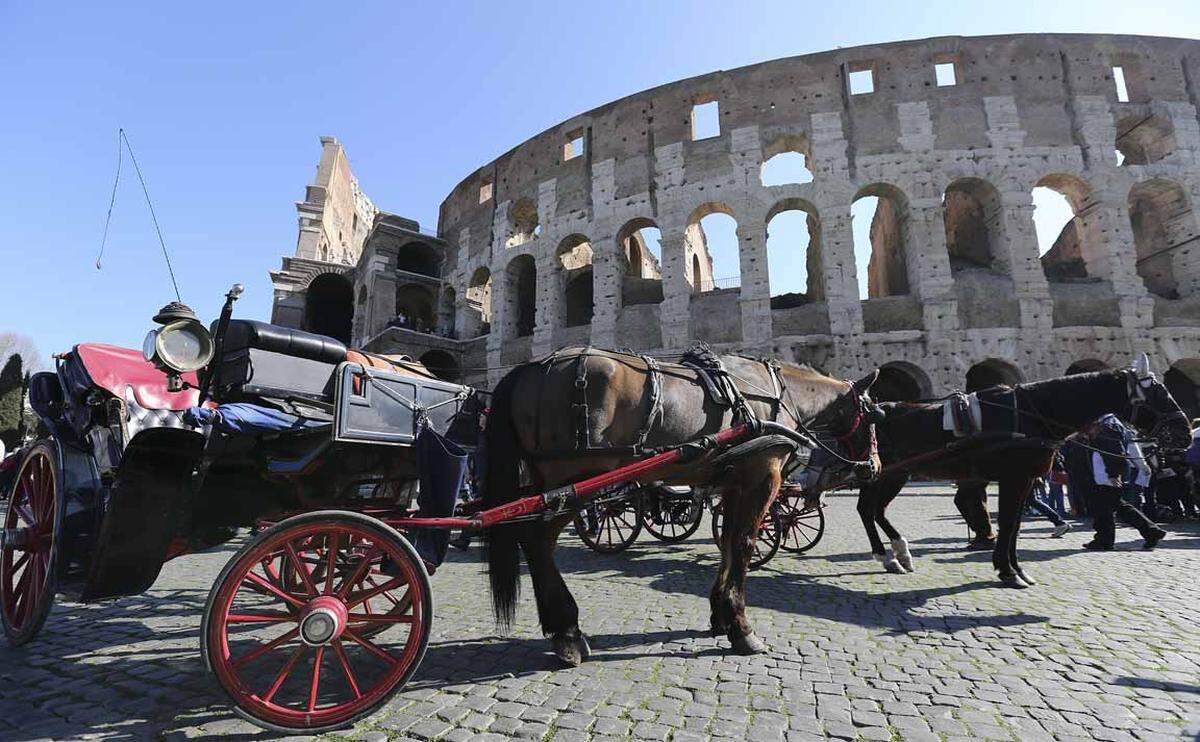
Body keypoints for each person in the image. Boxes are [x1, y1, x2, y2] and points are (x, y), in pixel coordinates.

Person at [1081, 415, 1166, 551]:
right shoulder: (1111, 423)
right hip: (1105, 474)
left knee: (1104, 508)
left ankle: (1105, 540)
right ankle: (1151, 532)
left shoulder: (1108, 425)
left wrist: (1114, 474)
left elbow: (1113, 450)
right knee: (1117, 506)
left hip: (1105, 475)